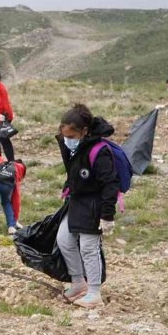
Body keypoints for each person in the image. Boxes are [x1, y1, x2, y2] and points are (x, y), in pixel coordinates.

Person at [55, 104, 119, 309]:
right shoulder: (74, 148)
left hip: (94, 204)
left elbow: (110, 184)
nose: (67, 140)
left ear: (84, 131)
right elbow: (74, 172)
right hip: (76, 201)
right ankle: (78, 283)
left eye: (71, 136)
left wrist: (107, 215)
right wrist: (67, 188)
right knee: (64, 239)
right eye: (64, 136)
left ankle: (94, 293)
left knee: (89, 248)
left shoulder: (99, 152)